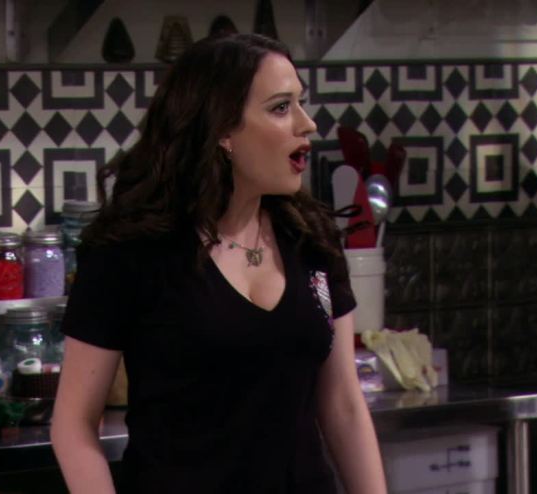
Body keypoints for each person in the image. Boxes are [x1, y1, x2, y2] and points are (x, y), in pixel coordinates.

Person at [50, 33, 387, 494]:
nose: (307, 124)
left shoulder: (311, 238)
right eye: (281, 107)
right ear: (222, 130)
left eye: (301, 104)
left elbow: (343, 405)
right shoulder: (129, 252)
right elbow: (73, 425)